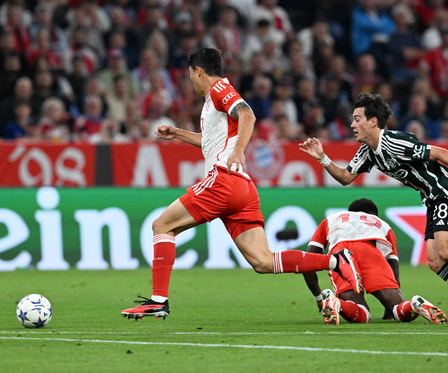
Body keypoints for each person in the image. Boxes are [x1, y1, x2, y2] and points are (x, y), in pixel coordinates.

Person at [121, 48, 360, 320]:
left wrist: (239, 151)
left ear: (198, 71)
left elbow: (248, 114)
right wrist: (177, 133)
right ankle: (337, 261)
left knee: (162, 225)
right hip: (242, 189)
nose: (191, 80)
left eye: (190, 75)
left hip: (223, 180)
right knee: (263, 261)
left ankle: (158, 300)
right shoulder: (212, 102)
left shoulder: (220, 88)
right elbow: (211, 141)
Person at [300, 93, 448, 324]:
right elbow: (345, 177)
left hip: (447, 191)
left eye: (357, 118)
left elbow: (441, 153)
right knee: (435, 262)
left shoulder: (396, 142)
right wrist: (322, 158)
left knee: (444, 251)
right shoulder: (367, 152)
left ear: (373, 122)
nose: (352, 124)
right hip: (432, 200)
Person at [303, 198, 448, 325]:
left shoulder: (332, 219)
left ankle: (337, 303)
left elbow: (308, 258)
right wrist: (390, 308)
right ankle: (414, 305)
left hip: (342, 253)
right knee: (399, 310)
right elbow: (393, 267)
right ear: (373, 215)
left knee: (361, 313)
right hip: (372, 254)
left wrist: (318, 296)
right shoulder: (382, 224)